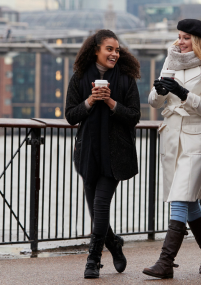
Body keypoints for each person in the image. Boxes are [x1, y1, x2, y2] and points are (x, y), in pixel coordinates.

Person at [142, 19, 201, 279]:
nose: (180, 42)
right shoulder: (171, 59)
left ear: (197, 40)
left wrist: (184, 93)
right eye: (178, 36)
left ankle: (165, 262)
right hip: (171, 136)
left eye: (186, 37)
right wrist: (160, 90)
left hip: (197, 138)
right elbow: (154, 103)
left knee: (179, 197)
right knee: (189, 201)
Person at [64, 29, 142, 279]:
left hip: (115, 155)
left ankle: (93, 260)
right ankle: (114, 243)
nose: (115, 54)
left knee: (100, 204)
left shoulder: (126, 79)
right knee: (96, 212)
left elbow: (134, 116)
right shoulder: (79, 77)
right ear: (95, 50)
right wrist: (89, 101)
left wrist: (110, 102)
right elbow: (70, 116)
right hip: (87, 153)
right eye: (109, 49)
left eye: (117, 50)